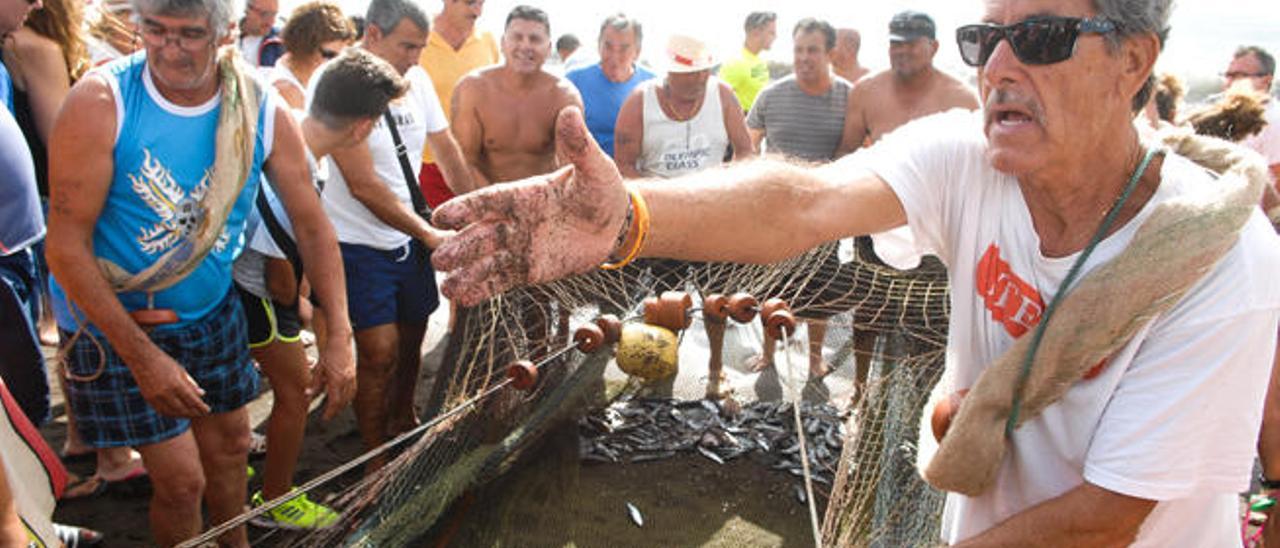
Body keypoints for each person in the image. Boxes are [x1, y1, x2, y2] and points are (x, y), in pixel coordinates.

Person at [429, 0, 1280, 544]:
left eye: (1044, 37)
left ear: (1134, 61)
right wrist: (630, 219)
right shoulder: (971, 158)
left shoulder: (1220, 257)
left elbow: (1106, 518)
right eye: (987, 39)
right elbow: (803, 201)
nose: (1001, 67)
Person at [45, 0, 356, 543]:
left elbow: (312, 224)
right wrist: (144, 360)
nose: (168, 49)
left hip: (210, 312)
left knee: (232, 447)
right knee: (183, 483)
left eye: (189, 34)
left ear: (226, 34)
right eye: (154, 31)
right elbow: (66, 247)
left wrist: (340, 335)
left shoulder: (258, 106)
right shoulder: (102, 101)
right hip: (118, 320)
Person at [234, 48, 403, 530]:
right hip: (260, 295)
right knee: (292, 393)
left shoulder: (299, 140)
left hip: (267, 291)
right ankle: (276, 500)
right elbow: (276, 269)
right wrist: (298, 317)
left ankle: (236, 465)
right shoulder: (299, 167)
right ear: (363, 128)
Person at [321, 0, 464, 473]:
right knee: (378, 352)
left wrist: (478, 204)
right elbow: (363, 185)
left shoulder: (416, 79)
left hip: (411, 240)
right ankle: (372, 452)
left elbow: (445, 146)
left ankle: (404, 416)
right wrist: (428, 233)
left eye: (422, 47)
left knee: (413, 334)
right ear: (373, 36)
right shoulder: (339, 83)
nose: (416, 59)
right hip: (357, 241)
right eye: (407, 46)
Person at [613, 33, 753, 397]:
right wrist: (675, 194)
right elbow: (624, 167)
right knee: (665, 302)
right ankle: (663, 367)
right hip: (663, 219)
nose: (695, 82)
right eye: (686, 75)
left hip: (712, 217)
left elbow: (745, 153)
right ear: (668, 73)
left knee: (717, 300)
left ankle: (716, 368)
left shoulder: (722, 95)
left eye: (702, 74)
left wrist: (721, 188)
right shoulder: (639, 101)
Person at [743, 18, 857, 381]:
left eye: (812, 50)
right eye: (798, 50)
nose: (804, 57)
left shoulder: (851, 97)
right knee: (773, 289)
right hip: (776, 213)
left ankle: (813, 360)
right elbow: (748, 146)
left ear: (830, 53)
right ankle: (767, 354)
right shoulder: (771, 95)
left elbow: (865, 150)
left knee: (820, 293)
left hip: (828, 213)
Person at [452, 5, 581, 186]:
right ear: (503, 43)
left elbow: (571, 167)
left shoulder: (564, 96)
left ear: (548, 47)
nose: (525, 45)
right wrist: (497, 205)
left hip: (542, 203)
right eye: (517, 37)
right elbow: (465, 161)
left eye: (535, 39)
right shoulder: (472, 89)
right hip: (485, 201)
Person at [416, 0, 498, 207]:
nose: (478, 11)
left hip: (476, 166)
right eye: (471, 3)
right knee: (434, 237)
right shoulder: (418, 37)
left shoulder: (488, 41)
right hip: (427, 166)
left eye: (482, 3)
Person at [565, 13, 652, 158]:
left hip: (636, 172)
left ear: (637, 52)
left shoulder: (652, 85)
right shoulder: (574, 81)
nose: (614, 56)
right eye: (608, 46)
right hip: (587, 170)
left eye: (623, 48)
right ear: (598, 46)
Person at [267, 1, 354, 109]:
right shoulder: (287, 91)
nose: (335, 63)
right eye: (329, 55)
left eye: (341, 56)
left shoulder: (301, 75)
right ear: (305, 47)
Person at [1224, 46, 1279, 187]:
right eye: (1227, 75)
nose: (1229, 82)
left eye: (1238, 76)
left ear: (1266, 80)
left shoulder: (1273, 122)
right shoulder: (1230, 115)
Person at [719, 11, 775, 113]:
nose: (775, 37)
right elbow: (719, 102)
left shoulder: (761, 62)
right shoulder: (734, 63)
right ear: (756, 32)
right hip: (742, 123)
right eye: (771, 33)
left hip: (760, 123)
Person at [238, 0, 282, 68]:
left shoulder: (281, 42)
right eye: (264, 14)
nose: (271, 21)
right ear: (247, 10)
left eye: (274, 14)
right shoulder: (227, 37)